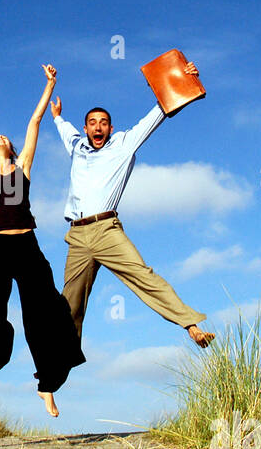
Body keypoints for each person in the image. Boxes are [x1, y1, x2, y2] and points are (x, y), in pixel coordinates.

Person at [50, 63, 215, 349]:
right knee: (70, 300)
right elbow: (64, 129)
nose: (98, 127)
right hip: (77, 236)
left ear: (110, 128)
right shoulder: (76, 146)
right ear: (86, 127)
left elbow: (159, 111)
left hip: (106, 230)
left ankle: (191, 325)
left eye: (103, 122)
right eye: (92, 122)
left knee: (142, 275)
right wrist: (57, 117)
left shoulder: (123, 144)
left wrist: (185, 78)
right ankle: (60, 358)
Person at [0, 58, 85, 421]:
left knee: (44, 312)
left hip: (27, 246)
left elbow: (35, 122)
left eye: (3, 138)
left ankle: (47, 385)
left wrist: (49, 85)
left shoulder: (23, 168)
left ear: (12, 149)